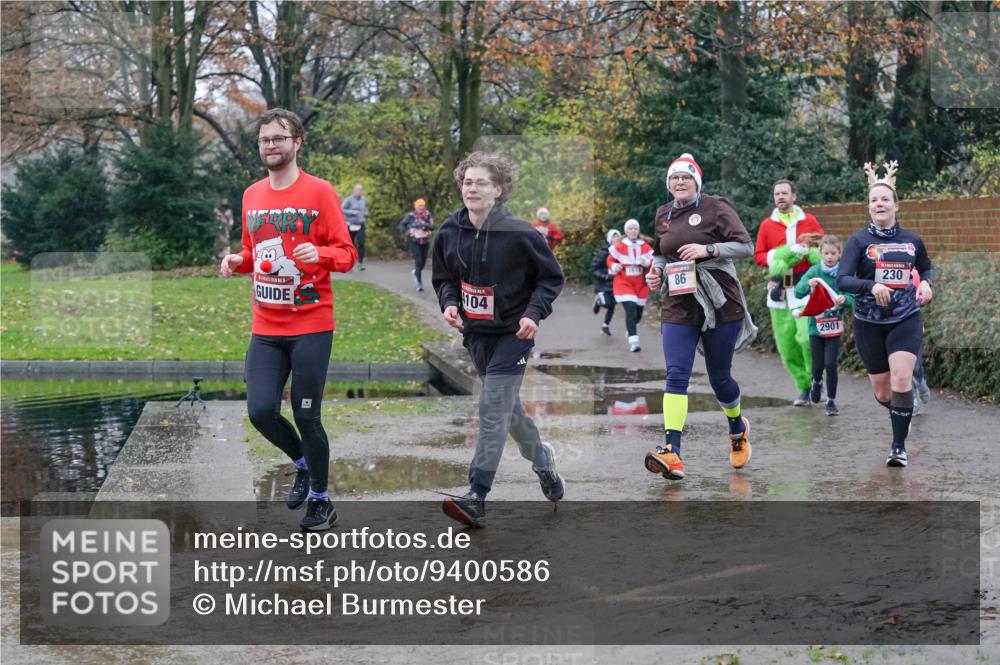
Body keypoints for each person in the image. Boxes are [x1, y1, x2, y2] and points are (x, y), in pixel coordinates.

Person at [219, 108, 357, 531]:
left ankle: (321, 500)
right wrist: (237, 260)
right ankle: (301, 463)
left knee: (307, 415)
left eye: (279, 138)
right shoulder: (252, 195)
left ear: (297, 143)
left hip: (311, 323)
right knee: (261, 411)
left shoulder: (320, 192)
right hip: (266, 327)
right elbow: (253, 253)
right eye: (265, 140)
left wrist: (322, 253)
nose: (271, 145)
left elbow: (347, 255)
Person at [431, 152, 565, 527]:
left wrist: (533, 314)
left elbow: (551, 278)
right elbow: (443, 278)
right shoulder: (449, 231)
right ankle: (543, 461)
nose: (472, 188)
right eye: (467, 182)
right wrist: (450, 304)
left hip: (513, 334)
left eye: (481, 183)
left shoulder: (520, 233)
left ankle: (477, 495)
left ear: (499, 190)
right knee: (507, 409)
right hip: (476, 335)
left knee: (492, 408)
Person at [643, 153, 757, 482]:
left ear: (696, 182)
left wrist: (709, 250)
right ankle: (672, 451)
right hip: (679, 302)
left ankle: (737, 428)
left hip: (720, 301)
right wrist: (655, 272)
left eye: (686, 177)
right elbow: (661, 254)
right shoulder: (663, 213)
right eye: (674, 178)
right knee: (676, 375)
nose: (680, 182)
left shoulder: (716, 207)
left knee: (720, 378)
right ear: (669, 184)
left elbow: (746, 246)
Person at [837, 161, 934, 467]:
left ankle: (898, 447)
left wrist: (927, 284)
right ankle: (902, 412)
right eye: (874, 200)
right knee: (883, 392)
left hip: (905, 317)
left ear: (896, 205)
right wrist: (871, 286)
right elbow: (843, 280)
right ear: (869, 207)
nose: (879, 204)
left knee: (901, 380)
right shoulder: (858, 241)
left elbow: (926, 268)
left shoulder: (912, 240)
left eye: (885, 199)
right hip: (869, 322)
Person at [754, 180, 825, 405]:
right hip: (780, 290)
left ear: (794, 196)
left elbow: (823, 247)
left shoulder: (809, 221)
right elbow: (759, 256)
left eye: (785, 193)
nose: (780, 197)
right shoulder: (767, 225)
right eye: (777, 194)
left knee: (806, 338)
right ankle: (803, 387)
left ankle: (817, 380)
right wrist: (782, 253)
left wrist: (811, 253)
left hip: (805, 288)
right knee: (787, 346)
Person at [792, 235, 854, 416]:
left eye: (833, 253)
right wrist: (808, 283)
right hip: (815, 326)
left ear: (840, 254)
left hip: (834, 326)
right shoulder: (814, 271)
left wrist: (845, 299)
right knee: (818, 366)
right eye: (826, 253)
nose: (829, 257)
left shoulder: (843, 273)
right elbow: (797, 292)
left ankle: (831, 401)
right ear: (820, 253)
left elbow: (853, 298)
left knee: (831, 364)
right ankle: (817, 382)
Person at [607, 219, 653, 352]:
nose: (633, 231)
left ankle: (630, 328)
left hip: (640, 284)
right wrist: (614, 266)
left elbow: (653, 261)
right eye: (630, 229)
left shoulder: (644, 246)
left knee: (638, 313)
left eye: (635, 228)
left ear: (638, 231)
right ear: (626, 231)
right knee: (631, 309)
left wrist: (646, 263)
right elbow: (610, 260)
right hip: (624, 283)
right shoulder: (620, 246)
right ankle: (634, 341)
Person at [399, 198, 435, 292]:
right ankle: (419, 283)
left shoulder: (428, 215)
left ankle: (416, 272)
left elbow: (432, 227)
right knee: (418, 261)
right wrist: (407, 232)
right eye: (419, 206)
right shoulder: (411, 216)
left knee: (422, 263)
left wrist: (425, 224)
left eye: (423, 206)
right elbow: (402, 224)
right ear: (416, 207)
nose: (421, 208)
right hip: (414, 241)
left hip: (425, 241)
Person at [591, 229, 622, 336]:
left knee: (612, 305)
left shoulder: (621, 252)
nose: (616, 239)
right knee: (607, 303)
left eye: (618, 236)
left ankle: (605, 326)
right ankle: (598, 301)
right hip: (604, 283)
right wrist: (604, 276)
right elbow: (594, 268)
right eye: (614, 237)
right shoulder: (604, 252)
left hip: (616, 283)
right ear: (609, 239)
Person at [342, 184, 368, 270]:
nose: (359, 191)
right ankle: (350, 263)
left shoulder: (364, 200)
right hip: (350, 224)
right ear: (354, 190)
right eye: (357, 190)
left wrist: (366, 213)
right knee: (351, 244)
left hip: (360, 224)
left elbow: (366, 208)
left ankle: (360, 263)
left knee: (361, 243)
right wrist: (352, 212)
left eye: (361, 190)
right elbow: (342, 209)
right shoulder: (348, 200)